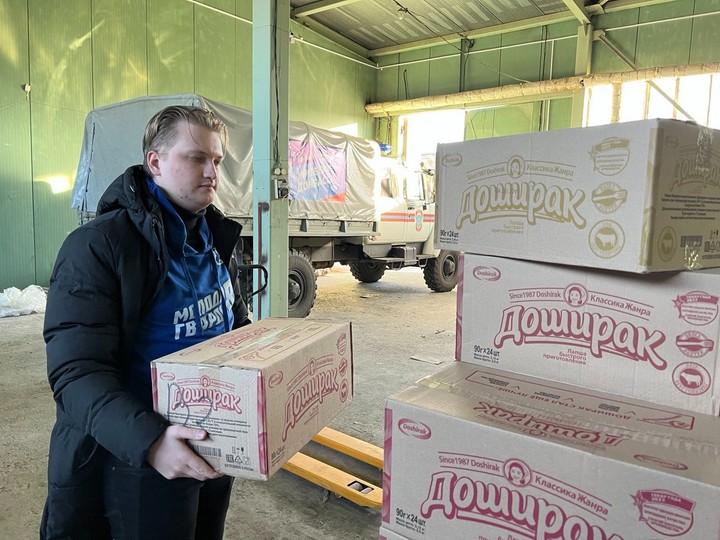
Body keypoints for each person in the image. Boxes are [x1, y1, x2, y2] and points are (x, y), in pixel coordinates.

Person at [41, 105, 250, 539]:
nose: (211, 172)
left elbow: (235, 327)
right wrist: (151, 442)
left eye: (216, 160)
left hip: (215, 440)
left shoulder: (215, 238)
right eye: (196, 158)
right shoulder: (99, 246)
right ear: (155, 162)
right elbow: (76, 372)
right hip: (137, 456)